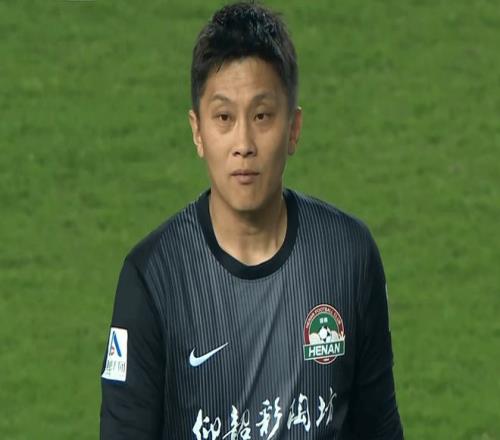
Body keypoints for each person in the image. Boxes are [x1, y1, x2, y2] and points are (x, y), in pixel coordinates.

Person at [99, 2, 404, 439]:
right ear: (198, 131)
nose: (243, 143)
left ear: (293, 128)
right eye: (224, 117)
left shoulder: (348, 256)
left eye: (262, 116)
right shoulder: (154, 278)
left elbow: (379, 428)